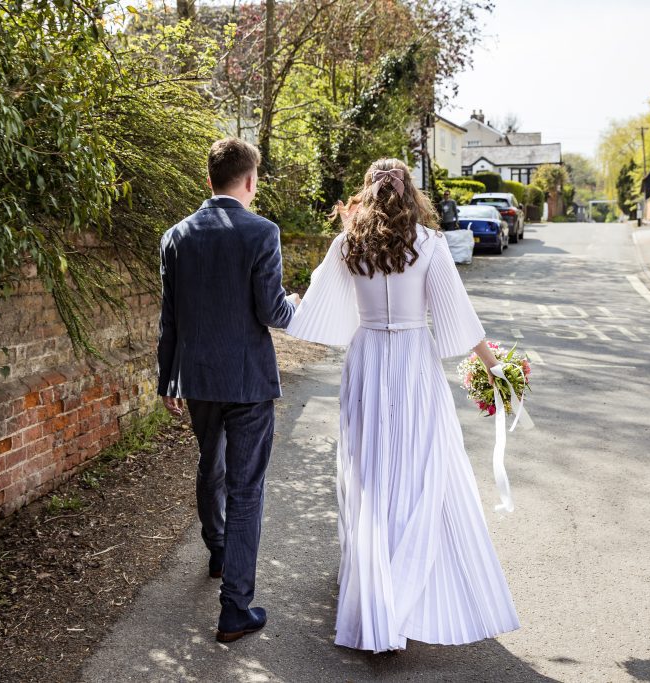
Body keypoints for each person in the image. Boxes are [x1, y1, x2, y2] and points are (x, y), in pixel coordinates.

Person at [285, 159, 519, 652]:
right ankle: (406, 579)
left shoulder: (348, 244)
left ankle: (375, 579)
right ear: (411, 192)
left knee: (369, 469)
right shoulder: (429, 245)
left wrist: (290, 303)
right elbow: (459, 315)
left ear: (367, 191)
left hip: (368, 358)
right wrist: (493, 365)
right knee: (416, 466)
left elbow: (316, 305)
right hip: (413, 360)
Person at [157, 137, 300, 643]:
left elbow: (169, 319)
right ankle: (234, 608)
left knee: (209, 464)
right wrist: (297, 304)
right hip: (247, 382)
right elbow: (272, 312)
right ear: (250, 180)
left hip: (196, 379)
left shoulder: (176, 236)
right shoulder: (262, 232)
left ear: (210, 179)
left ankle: (217, 551)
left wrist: (165, 379)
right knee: (246, 490)